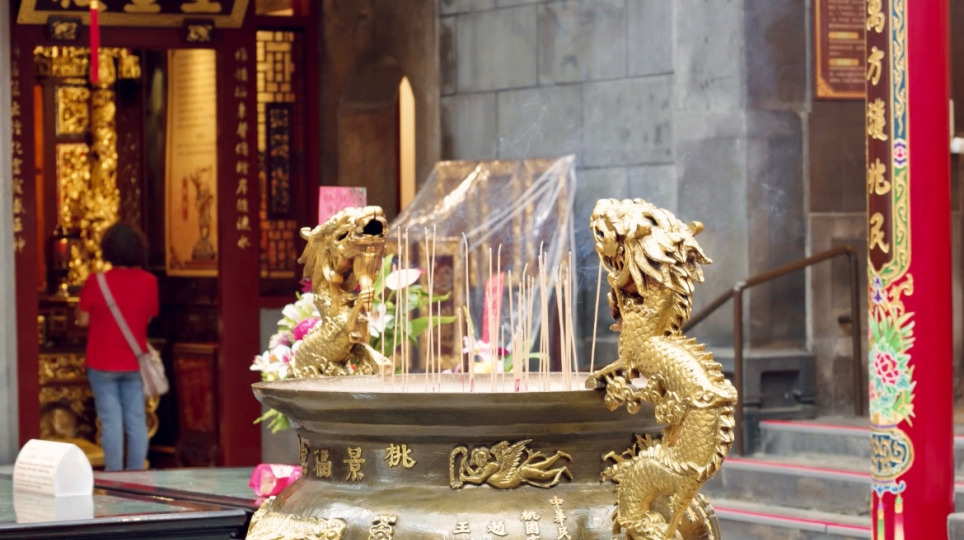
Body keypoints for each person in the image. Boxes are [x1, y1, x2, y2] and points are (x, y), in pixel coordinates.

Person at [76, 223, 158, 471]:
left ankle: (114, 475)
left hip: (101, 362)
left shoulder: (96, 281)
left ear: (108, 249)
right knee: (136, 420)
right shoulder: (149, 281)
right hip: (133, 361)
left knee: (111, 421)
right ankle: (137, 475)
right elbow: (149, 317)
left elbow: (82, 319)